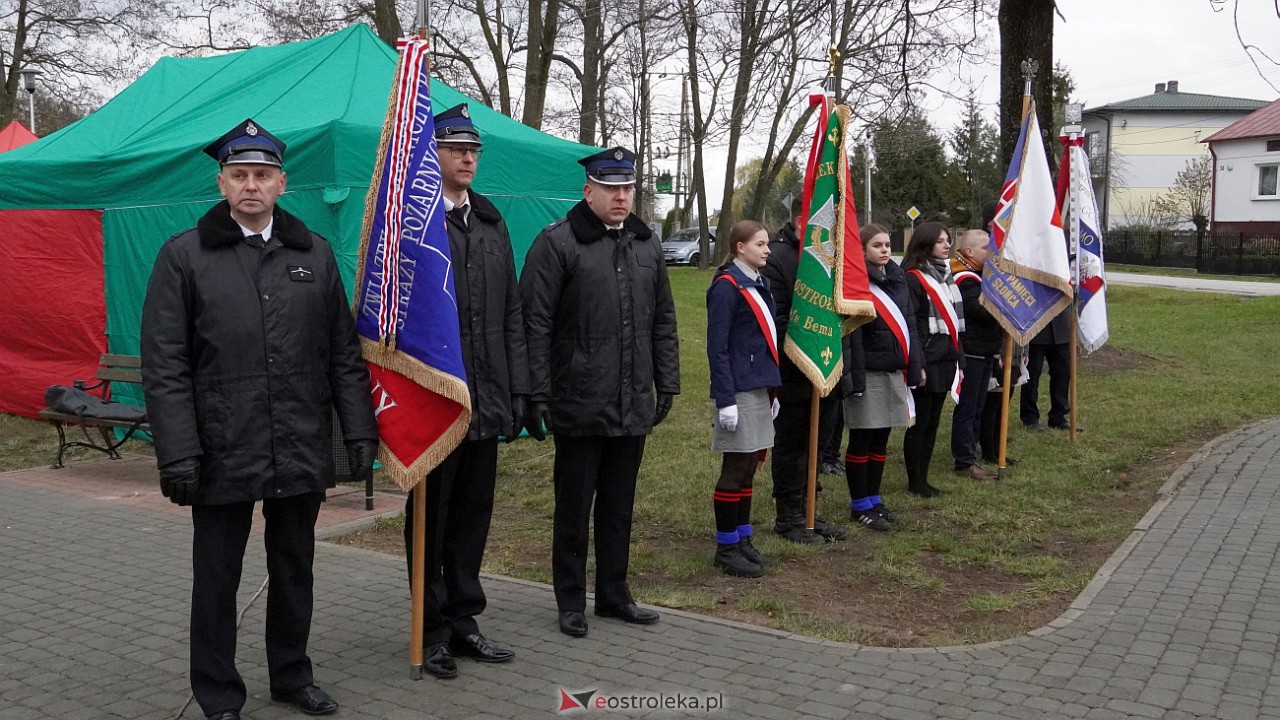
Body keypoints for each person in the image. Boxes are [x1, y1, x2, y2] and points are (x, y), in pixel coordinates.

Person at [140, 119, 378, 720]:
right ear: (221, 182)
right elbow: (165, 366)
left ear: (282, 183)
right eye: (240, 175)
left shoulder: (314, 255)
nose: (252, 186)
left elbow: (341, 355)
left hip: (298, 442)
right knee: (217, 578)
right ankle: (219, 694)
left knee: (294, 569)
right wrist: (178, 454)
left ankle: (292, 677)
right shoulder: (184, 257)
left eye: (263, 175)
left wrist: (358, 433)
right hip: (222, 445)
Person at [520, 146, 680, 638]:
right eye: (611, 188)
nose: (621, 197)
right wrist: (537, 394)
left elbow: (663, 320)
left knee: (619, 503)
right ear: (588, 190)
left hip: (632, 398)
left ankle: (614, 593)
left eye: (627, 188)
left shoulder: (646, 244)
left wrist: (667, 382)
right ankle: (570, 600)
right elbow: (535, 323)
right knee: (575, 506)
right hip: (579, 398)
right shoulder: (558, 244)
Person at [401, 104, 527, 679]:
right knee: (433, 514)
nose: (468, 157)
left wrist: (516, 389)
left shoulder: (493, 224)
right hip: (435, 397)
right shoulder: (412, 225)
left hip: (486, 393)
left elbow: (510, 316)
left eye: (473, 149)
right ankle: (429, 630)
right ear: (434, 155)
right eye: (455, 148)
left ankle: (464, 619)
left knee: (473, 513)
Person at [760, 198, 846, 545]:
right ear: (803, 220)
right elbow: (775, 317)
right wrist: (805, 351)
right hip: (794, 368)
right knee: (793, 444)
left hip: (828, 365)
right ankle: (789, 516)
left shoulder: (831, 255)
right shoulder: (779, 259)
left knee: (817, 444)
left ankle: (810, 507)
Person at [706, 220, 782, 578]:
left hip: (757, 385)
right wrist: (725, 400)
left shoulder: (758, 282)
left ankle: (743, 538)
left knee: (751, 466)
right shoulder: (727, 287)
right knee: (735, 469)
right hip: (737, 389)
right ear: (740, 247)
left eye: (767, 243)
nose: (767, 249)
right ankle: (726, 546)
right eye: (760, 244)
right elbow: (717, 348)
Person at [842, 224, 923, 531]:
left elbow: (909, 325)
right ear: (861, 249)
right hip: (868, 371)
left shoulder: (898, 277)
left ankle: (874, 499)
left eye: (887, 245)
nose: (885, 250)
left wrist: (915, 365)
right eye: (877, 245)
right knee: (863, 437)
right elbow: (853, 336)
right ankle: (859, 503)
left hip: (894, 370)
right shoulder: (855, 281)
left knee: (881, 439)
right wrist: (856, 378)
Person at [901, 222, 965, 495]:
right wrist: (920, 362)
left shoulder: (946, 275)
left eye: (948, 239)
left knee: (934, 420)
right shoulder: (914, 277)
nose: (947, 244)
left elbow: (955, 322)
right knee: (922, 420)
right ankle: (915, 481)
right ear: (926, 244)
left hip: (946, 356)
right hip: (926, 358)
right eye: (940, 241)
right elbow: (911, 322)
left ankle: (924, 478)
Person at [949, 229, 1001, 479]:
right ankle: (964, 460)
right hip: (972, 351)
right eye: (985, 248)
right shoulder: (965, 277)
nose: (991, 253)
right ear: (969, 251)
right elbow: (979, 311)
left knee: (978, 406)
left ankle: (972, 454)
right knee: (968, 407)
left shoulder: (979, 275)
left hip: (984, 349)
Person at [1020, 311, 1077, 432]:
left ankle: (1058, 415)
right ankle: (1030, 417)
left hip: (1061, 326)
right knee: (1032, 374)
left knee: (1063, 372)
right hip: (1036, 324)